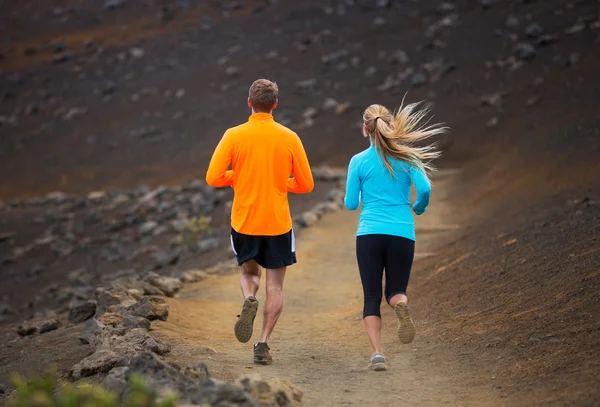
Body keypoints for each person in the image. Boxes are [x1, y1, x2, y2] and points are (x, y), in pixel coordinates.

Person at [206, 79, 314, 365]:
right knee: (275, 287)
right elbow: (306, 184)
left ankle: (248, 297)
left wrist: (238, 177)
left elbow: (213, 177)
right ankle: (263, 343)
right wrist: (280, 182)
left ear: (249, 102)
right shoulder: (289, 136)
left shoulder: (233, 135)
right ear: (275, 104)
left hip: (244, 221)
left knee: (250, 274)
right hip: (278, 223)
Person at [344, 101, 446, 371]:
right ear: (390, 125)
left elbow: (351, 204)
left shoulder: (358, 161)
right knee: (396, 291)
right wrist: (418, 208)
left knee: (371, 297)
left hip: (369, 233)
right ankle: (400, 306)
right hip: (402, 232)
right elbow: (424, 189)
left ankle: (378, 354)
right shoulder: (408, 156)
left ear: (366, 129)